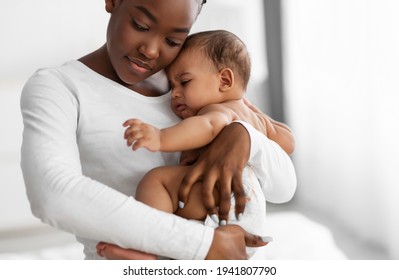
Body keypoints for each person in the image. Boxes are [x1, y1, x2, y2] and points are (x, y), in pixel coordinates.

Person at [20, 0, 297, 260]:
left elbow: (283, 189)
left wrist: (243, 137)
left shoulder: (197, 81)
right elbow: (52, 195)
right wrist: (205, 245)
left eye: (173, 41)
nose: (152, 51)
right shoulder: (60, 87)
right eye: (140, 25)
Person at [96, 30, 296, 259]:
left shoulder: (219, 110)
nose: (175, 94)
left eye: (184, 82)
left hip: (225, 197)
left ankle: (147, 250)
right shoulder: (254, 117)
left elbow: (208, 125)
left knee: (157, 181)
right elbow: (288, 141)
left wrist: (160, 138)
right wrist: (262, 118)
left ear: (224, 80)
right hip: (250, 214)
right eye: (172, 86)